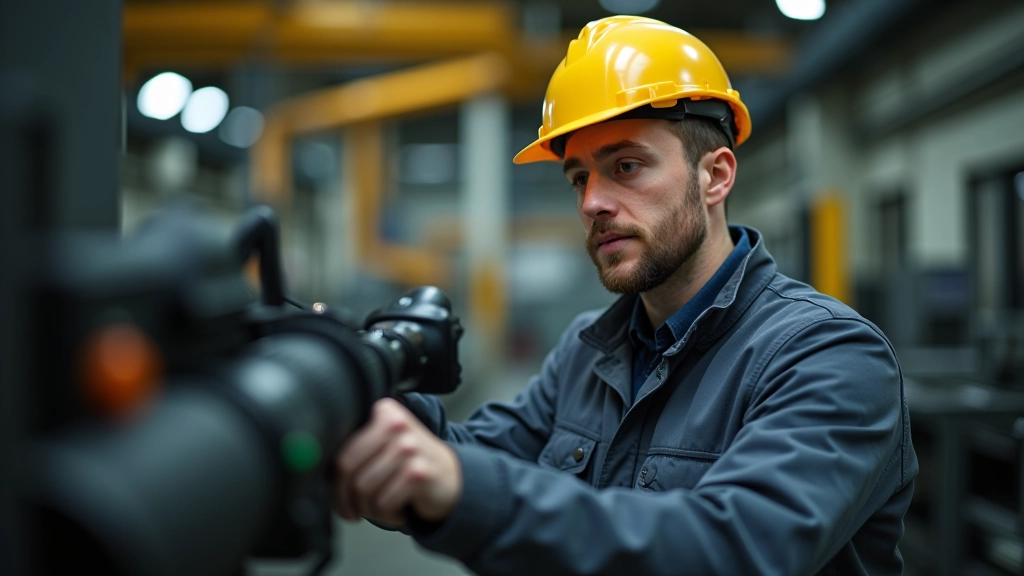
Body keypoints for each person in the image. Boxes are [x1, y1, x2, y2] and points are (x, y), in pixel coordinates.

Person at [333, 15, 918, 576]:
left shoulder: (828, 356)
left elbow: (734, 549)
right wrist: (350, 394)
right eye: (580, 177)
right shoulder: (590, 351)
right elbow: (476, 450)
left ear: (714, 177)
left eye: (627, 165)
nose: (592, 203)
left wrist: (462, 490)